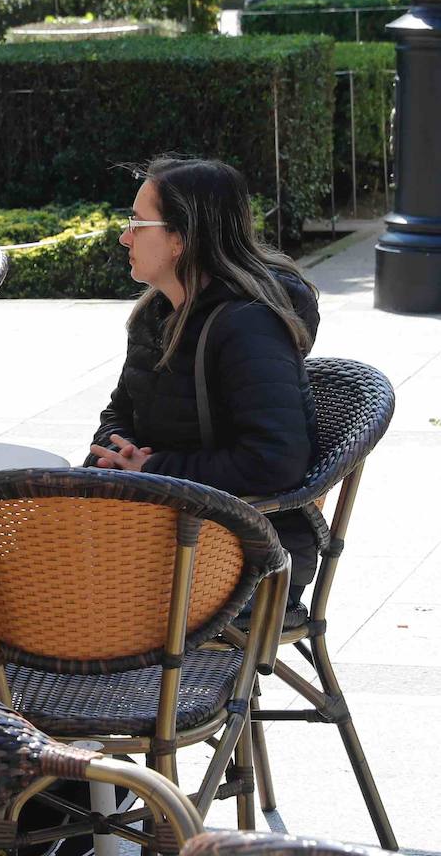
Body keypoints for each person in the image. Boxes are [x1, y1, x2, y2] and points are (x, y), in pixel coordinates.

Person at [86, 157, 321, 624]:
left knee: (24, 595)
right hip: (167, 531)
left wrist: (154, 469)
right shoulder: (158, 312)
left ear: (180, 239)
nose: (124, 236)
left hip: (242, 554)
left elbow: (277, 458)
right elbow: (119, 410)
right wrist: (118, 451)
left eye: (137, 222)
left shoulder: (247, 325)